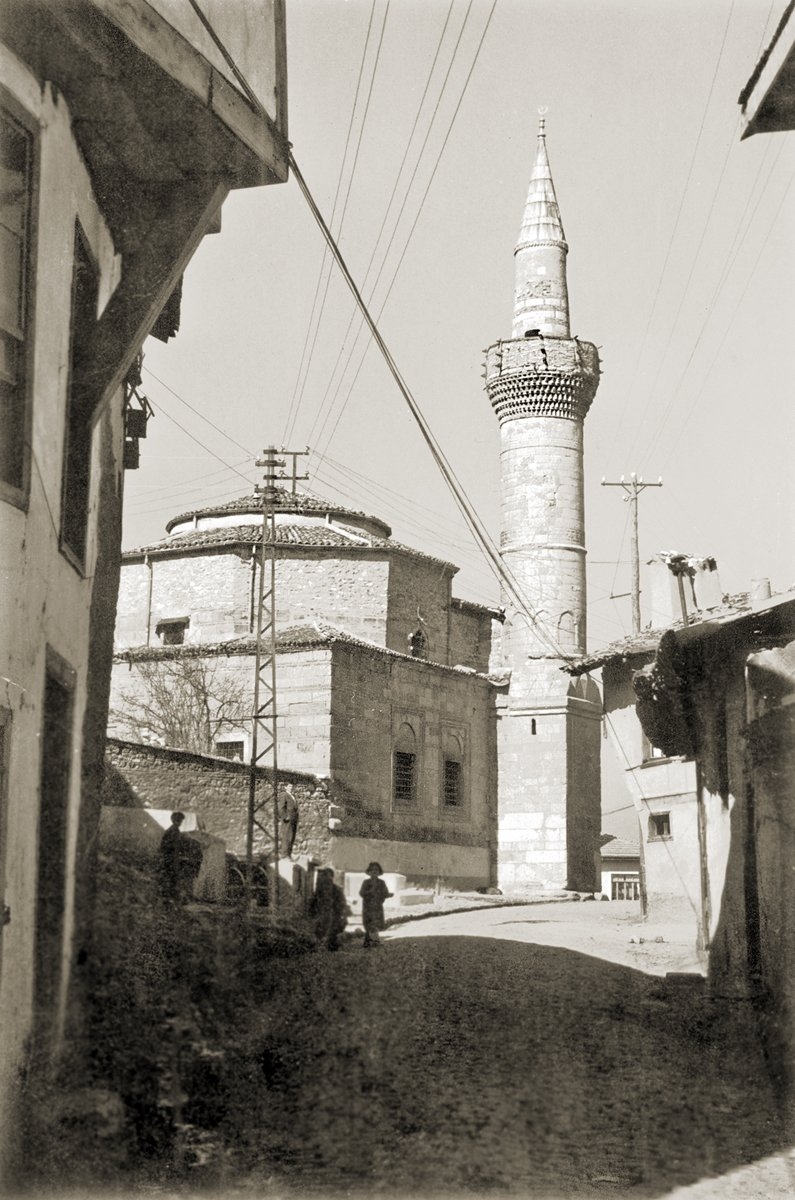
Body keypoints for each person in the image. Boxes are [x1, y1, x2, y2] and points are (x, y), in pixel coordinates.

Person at [158, 811, 203, 904]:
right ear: (174, 820)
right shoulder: (173, 831)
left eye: (180, 820)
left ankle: (171, 900)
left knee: (172, 879)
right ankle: (170, 900)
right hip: (170, 859)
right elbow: (170, 847)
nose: (180, 822)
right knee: (171, 879)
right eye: (179, 820)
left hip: (171, 859)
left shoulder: (173, 831)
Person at [310, 867, 349, 951]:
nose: (326, 878)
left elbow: (341, 903)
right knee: (320, 930)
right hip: (322, 913)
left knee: (332, 933)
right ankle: (321, 943)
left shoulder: (337, 890)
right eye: (324, 876)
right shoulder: (319, 890)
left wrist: (341, 914)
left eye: (328, 876)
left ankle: (330, 943)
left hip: (333, 914)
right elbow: (314, 902)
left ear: (332, 877)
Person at [359, 861, 392, 948]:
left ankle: (374, 941)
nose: (374, 871)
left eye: (376, 870)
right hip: (368, 906)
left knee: (376, 923)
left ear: (379, 872)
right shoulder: (366, 882)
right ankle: (368, 940)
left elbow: (385, 892)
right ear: (369, 872)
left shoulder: (381, 882)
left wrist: (388, 895)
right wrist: (370, 892)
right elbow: (361, 893)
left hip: (377, 906)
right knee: (368, 923)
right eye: (372, 870)